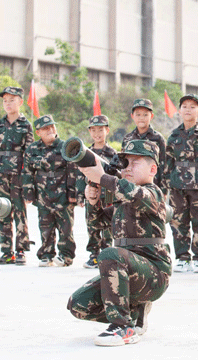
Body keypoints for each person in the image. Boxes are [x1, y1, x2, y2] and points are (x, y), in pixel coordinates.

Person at [68, 140, 171, 346]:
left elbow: (135, 194)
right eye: (126, 163)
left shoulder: (154, 193)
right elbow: (96, 223)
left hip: (154, 273)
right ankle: (133, 313)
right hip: (126, 270)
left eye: (135, 163)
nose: (128, 167)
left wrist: (104, 178)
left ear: (152, 169)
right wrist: (93, 199)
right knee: (78, 304)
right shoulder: (121, 199)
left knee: (109, 254)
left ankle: (123, 327)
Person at [163, 94, 198, 273]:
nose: (188, 109)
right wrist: (166, 185)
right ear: (179, 111)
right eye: (184, 106)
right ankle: (182, 257)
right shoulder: (174, 135)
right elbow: (168, 161)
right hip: (177, 184)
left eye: (192, 107)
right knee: (178, 221)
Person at [0, 86, 34, 265]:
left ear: (20, 102)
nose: (7, 104)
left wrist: (28, 178)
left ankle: (21, 250)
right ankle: (7, 250)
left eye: (12, 100)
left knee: (20, 212)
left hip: (18, 176)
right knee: (3, 211)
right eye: (5, 100)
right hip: (1, 175)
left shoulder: (26, 125)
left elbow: (29, 153)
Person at [22, 114, 77, 267]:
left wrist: (73, 193)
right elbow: (27, 172)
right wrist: (28, 192)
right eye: (45, 129)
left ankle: (66, 255)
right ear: (38, 132)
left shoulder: (66, 146)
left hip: (62, 193)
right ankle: (46, 254)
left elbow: (73, 171)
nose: (50, 130)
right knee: (45, 225)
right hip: (43, 193)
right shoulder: (32, 149)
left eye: (52, 127)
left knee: (66, 226)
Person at [76, 115, 117, 268]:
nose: (97, 134)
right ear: (90, 132)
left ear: (107, 130)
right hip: (91, 194)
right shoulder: (85, 153)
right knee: (92, 224)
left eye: (101, 130)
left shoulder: (113, 154)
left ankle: (107, 253)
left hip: (108, 195)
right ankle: (93, 254)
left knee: (108, 226)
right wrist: (80, 195)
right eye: (94, 130)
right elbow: (80, 175)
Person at [121, 98, 166, 189]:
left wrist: (163, 189)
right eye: (138, 114)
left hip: (152, 185)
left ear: (151, 116)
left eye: (145, 115)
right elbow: (124, 163)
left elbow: (164, 165)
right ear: (132, 116)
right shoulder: (127, 139)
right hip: (131, 185)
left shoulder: (158, 138)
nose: (141, 118)